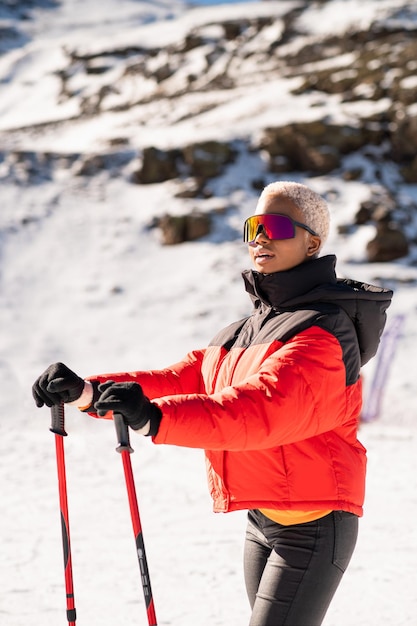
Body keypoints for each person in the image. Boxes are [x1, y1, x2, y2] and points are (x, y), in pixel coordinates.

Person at [33, 181, 393, 626]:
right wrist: (87, 391)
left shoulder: (322, 333)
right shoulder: (244, 331)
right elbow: (179, 378)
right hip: (263, 520)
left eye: (276, 226)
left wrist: (154, 419)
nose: (260, 237)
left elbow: (258, 410)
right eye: (253, 226)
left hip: (314, 525)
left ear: (312, 242)